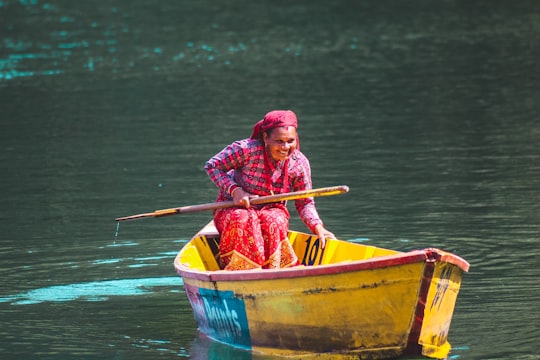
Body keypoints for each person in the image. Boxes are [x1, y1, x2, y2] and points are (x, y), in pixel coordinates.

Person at [204, 110, 335, 270]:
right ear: (266, 138)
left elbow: (305, 202)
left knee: (274, 221)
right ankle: (238, 270)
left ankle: (272, 271)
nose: (285, 147)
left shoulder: (299, 163)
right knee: (242, 218)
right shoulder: (246, 150)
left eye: (290, 141)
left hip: (272, 210)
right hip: (234, 208)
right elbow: (212, 166)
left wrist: (318, 227)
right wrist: (235, 191)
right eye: (279, 141)